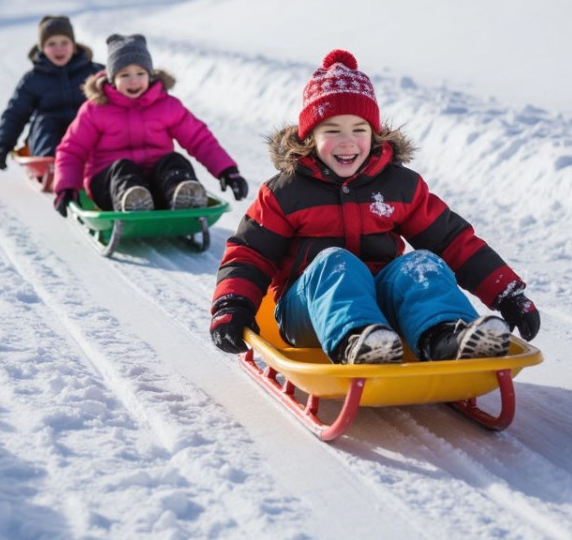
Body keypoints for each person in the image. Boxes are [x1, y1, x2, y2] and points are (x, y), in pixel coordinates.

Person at [209, 49, 540, 365]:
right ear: (310, 137)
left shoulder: (400, 186)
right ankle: (356, 340)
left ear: (374, 134)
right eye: (332, 131)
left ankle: (446, 337)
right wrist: (232, 305)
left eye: (359, 129)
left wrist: (507, 293)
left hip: (382, 313)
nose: (347, 141)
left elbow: (452, 241)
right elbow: (251, 252)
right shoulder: (286, 192)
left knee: (422, 263)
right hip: (309, 311)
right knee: (335, 262)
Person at [52, 33, 249, 216]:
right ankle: (131, 199)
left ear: (150, 74)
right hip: (109, 186)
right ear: (112, 79)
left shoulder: (167, 105)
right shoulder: (96, 109)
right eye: (124, 75)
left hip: (157, 184)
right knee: (122, 167)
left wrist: (227, 170)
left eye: (140, 73)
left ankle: (182, 196)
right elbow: (72, 150)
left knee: (174, 161)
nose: (134, 81)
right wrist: (66, 187)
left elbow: (199, 139)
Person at [0, 15, 104, 168]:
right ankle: (49, 164)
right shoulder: (33, 79)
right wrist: (3, 145)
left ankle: (100, 161)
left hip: (84, 128)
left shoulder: (93, 71)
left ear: (74, 45)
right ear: (42, 48)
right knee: (45, 122)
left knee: (94, 122)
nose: (59, 48)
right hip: (50, 133)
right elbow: (16, 112)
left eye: (64, 42)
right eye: (51, 44)